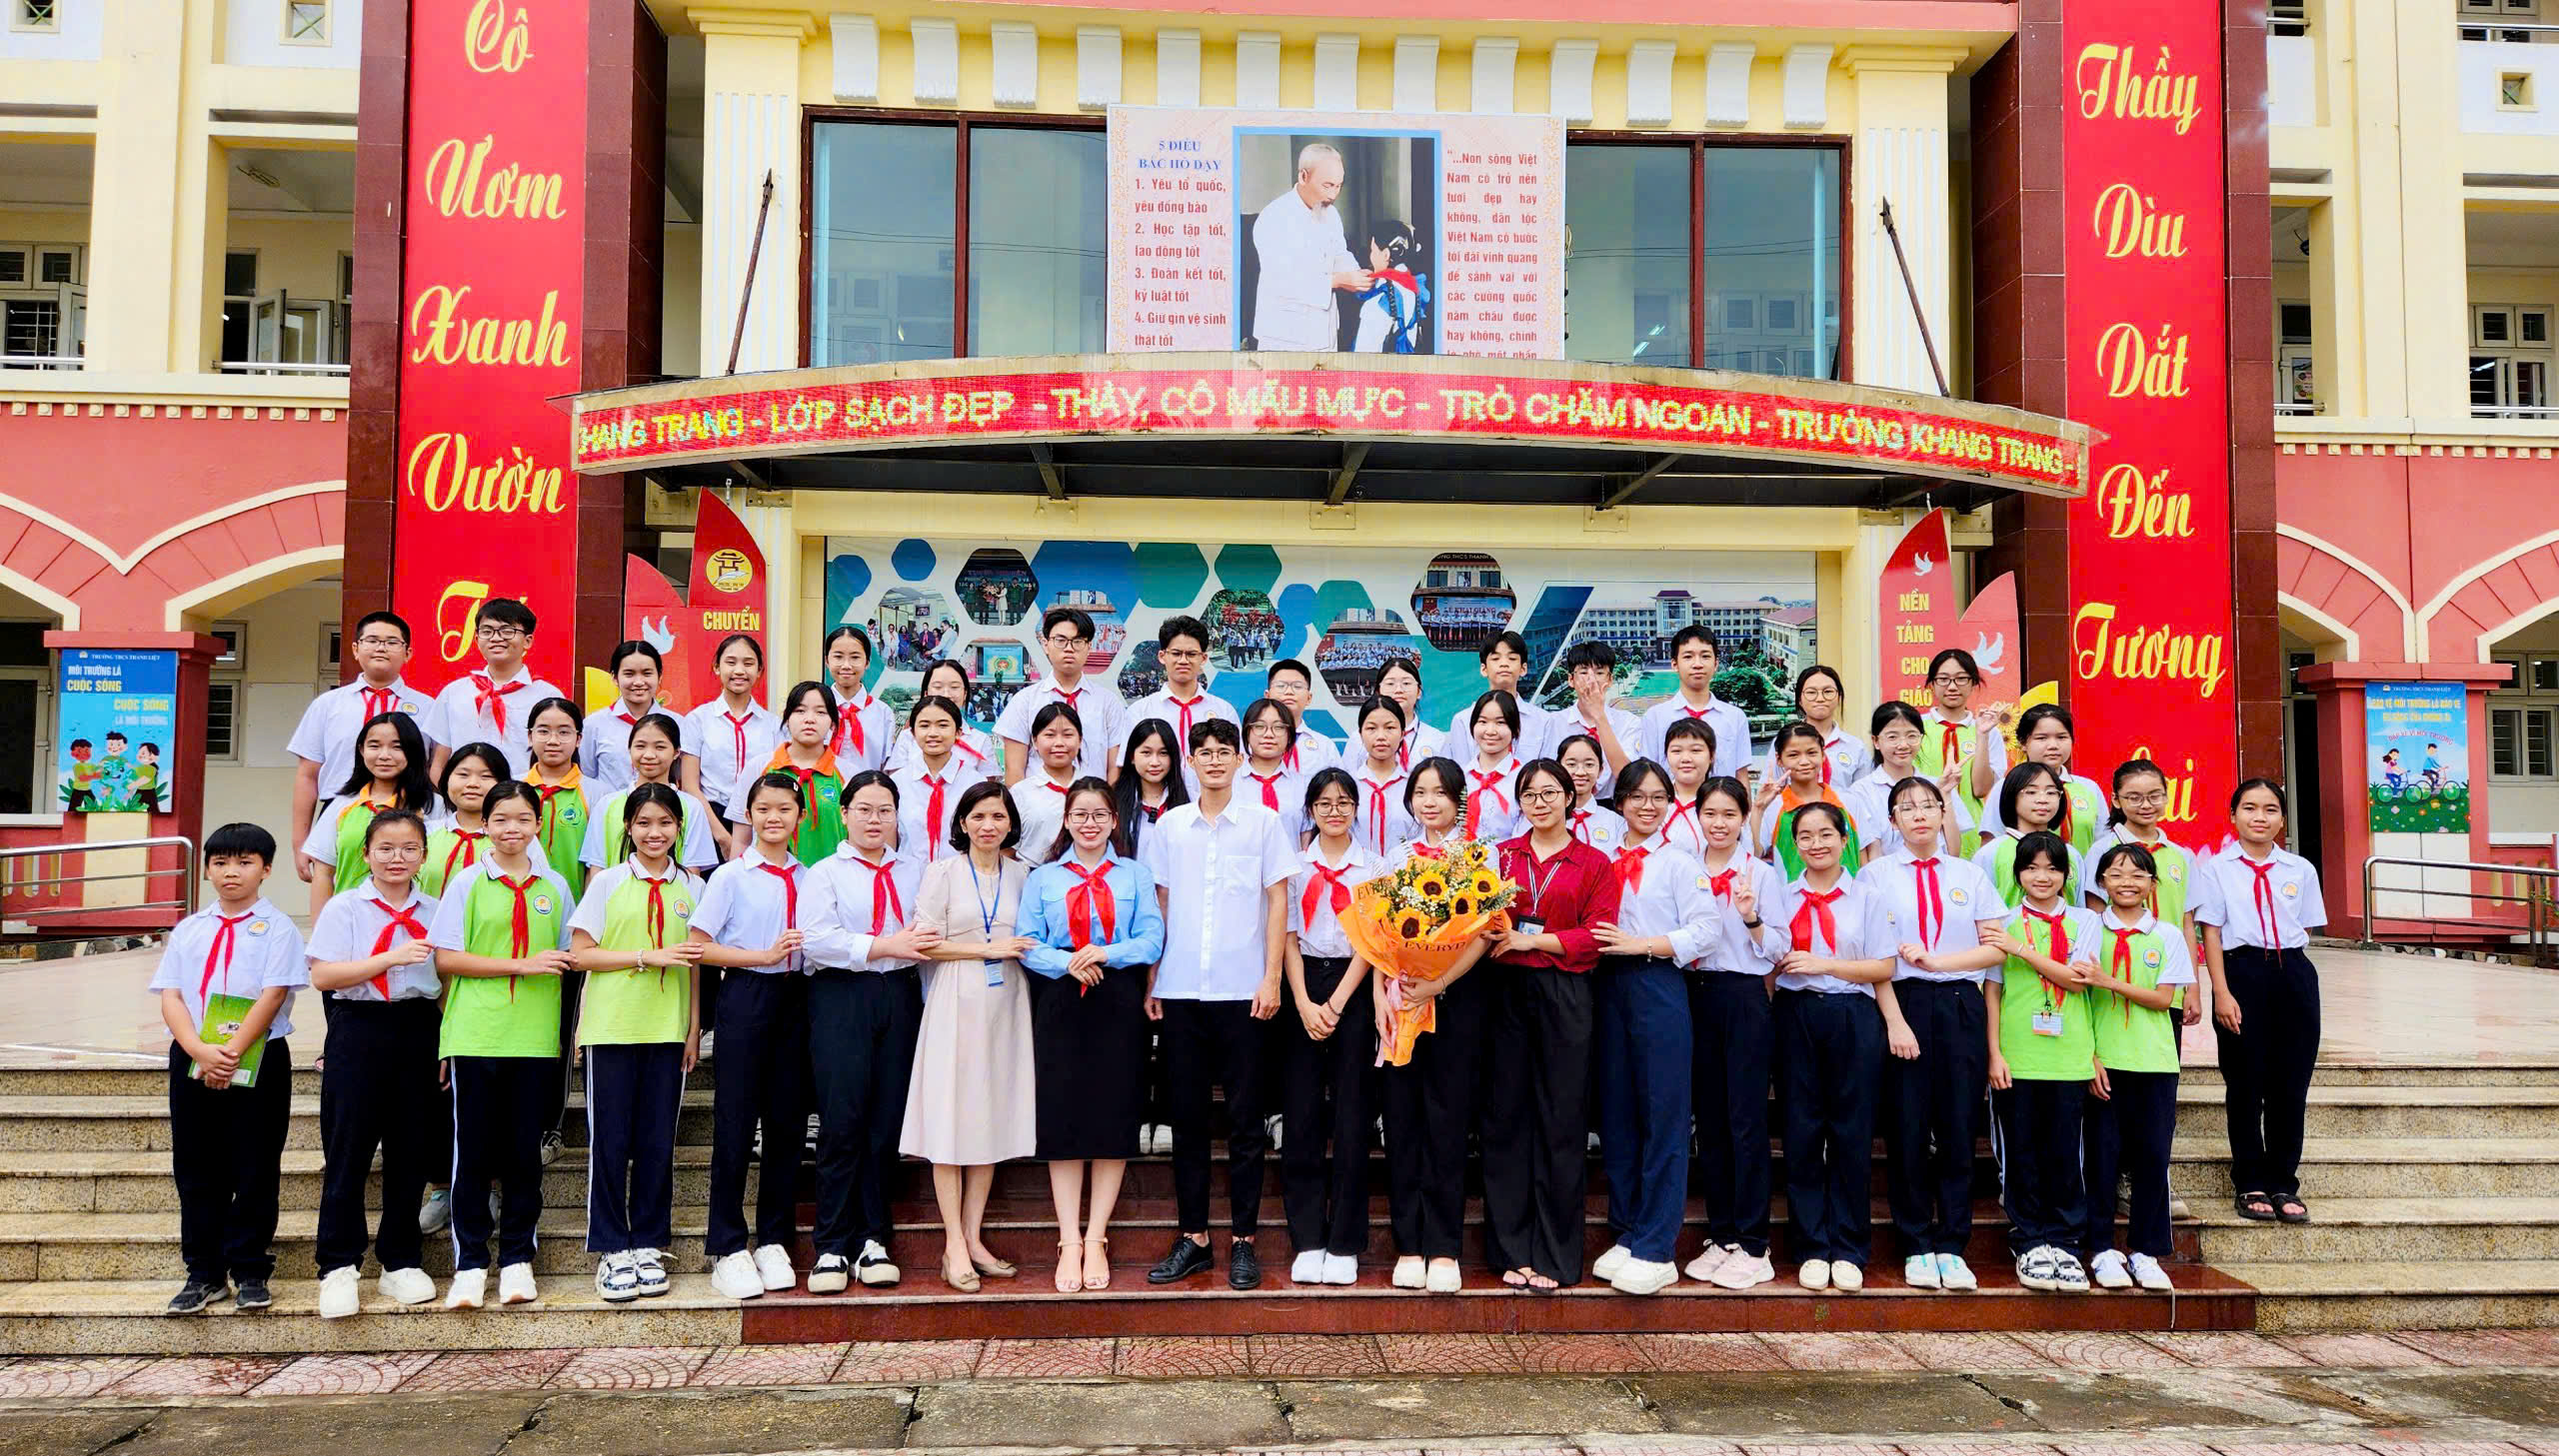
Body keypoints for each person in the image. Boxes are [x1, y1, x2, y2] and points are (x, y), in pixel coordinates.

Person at [1139, 718, 1295, 1290]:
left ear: (1239, 759)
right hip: (1181, 990)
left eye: (1223, 751)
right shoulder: (1170, 827)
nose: (1213, 760)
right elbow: (1159, 904)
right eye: (1202, 752)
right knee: (1187, 1120)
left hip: (1243, 993)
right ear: (1190, 762)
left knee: (1246, 1121)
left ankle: (1245, 1241)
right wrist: (1153, 980)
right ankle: (1195, 1238)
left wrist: (1272, 978)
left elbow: (1278, 901)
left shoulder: (1263, 822)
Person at [426, 780, 576, 1310]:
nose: (512, 829)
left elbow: (568, 956)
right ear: (485, 824)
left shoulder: (555, 886)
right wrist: (521, 965)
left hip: (533, 1036)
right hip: (476, 1032)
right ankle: (470, 1263)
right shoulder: (467, 882)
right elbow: (446, 958)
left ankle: (516, 1258)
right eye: (501, 819)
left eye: (523, 819)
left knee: (523, 1154)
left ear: (538, 824)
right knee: (471, 1152)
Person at [1479, 758, 1621, 1289]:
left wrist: (1531, 939)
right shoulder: (1500, 857)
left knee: (1562, 1121)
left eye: (1549, 793)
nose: (1539, 803)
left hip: (1566, 992)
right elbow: (1478, 920)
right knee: (1505, 1119)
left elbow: (1597, 934)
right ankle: (1510, 1249)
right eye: (1529, 795)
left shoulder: (1593, 862)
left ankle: (1556, 1255)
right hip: (1506, 992)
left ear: (1569, 797)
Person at [153, 823, 306, 1316]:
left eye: (244, 862)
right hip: (193, 1053)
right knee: (196, 1165)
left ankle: (250, 1269)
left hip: (258, 1054)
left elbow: (273, 994)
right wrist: (199, 1050)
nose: (231, 872)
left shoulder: (279, 928)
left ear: (266, 869)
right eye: (220, 863)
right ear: (206, 870)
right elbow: (172, 995)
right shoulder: (189, 929)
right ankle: (203, 1272)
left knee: (255, 1163)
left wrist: (231, 1052)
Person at [1018, 780, 1164, 1292]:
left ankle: (1097, 1235)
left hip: (1117, 997)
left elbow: (1152, 938)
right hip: (1060, 997)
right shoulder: (1043, 878)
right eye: (1080, 814)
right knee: (1063, 1117)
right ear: (1066, 820)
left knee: (1112, 1114)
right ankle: (1069, 1240)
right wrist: (1067, 963)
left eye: (1099, 814)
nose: (1089, 823)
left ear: (1114, 821)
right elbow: (1026, 941)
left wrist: (1106, 953)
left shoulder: (1135, 875)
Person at [563, 785, 705, 1304]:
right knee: (610, 1141)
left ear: (679, 828)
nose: (654, 833)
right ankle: (609, 1247)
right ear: (628, 827)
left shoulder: (692, 886)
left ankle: (648, 1241)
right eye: (644, 823)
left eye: (665, 823)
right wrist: (646, 956)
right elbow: (581, 954)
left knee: (657, 1141)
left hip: (668, 1028)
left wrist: (693, 1028)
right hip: (613, 1027)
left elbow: (695, 963)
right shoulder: (607, 882)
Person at [801, 770, 937, 1292]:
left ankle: (875, 1239)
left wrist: (902, 952)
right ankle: (831, 1245)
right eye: (864, 809)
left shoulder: (917, 870)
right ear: (844, 814)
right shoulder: (824, 873)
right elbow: (818, 940)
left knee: (886, 1123)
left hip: (899, 995)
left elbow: (929, 929)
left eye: (885, 810)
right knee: (842, 1120)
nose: (874, 820)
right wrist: (884, 946)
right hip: (842, 995)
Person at [1868, 776, 2005, 1293]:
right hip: (1901, 1002)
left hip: (1959, 1001)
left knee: (1957, 1126)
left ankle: (1952, 1243)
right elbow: (1873, 956)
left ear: (1944, 813)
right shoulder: (1876, 875)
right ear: (1893, 820)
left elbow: (1996, 947)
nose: (1920, 814)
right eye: (1907, 808)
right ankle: (1915, 1243)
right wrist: (1894, 1020)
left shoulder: (1969, 874)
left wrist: (1940, 962)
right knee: (1906, 1126)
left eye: (1929, 805)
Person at [306, 809, 444, 1319]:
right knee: (349, 1147)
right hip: (359, 1025)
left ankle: (399, 1260)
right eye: (385, 848)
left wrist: (447, 1042)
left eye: (409, 849)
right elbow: (324, 976)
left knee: (411, 1148)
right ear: (365, 854)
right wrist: (389, 958)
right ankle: (338, 1264)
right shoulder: (345, 907)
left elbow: (446, 980)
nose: (396, 858)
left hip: (418, 1026)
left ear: (423, 857)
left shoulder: (436, 910)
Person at [1586, 758, 1716, 1295]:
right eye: (1637, 796)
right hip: (1605, 987)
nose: (1648, 805)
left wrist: (1642, 944)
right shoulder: (1600, 859)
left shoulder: (1680, 863)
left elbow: (1707, 930)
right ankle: (1629, 1229)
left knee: (1664, 1114)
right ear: (1619, 802)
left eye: (1658, 797)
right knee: (1617, 1114)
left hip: (1656, 981)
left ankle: (1659, 1245)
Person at [686, 771, 815, 1301]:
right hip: (745, 992)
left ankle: (774, 1238)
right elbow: (699, 945)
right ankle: (727, 1244)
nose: (773, 818)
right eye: (763, 809)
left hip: (797, 999)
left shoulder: (811, 876)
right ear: (749, 814)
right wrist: (761, 956)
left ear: (800, 815)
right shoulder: (731, 876)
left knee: (787, 1123)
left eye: (784, 808)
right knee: (736, 1121)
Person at [909, 781, 1040, 1288]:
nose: (989, 825)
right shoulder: (941, 872)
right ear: (962, 822)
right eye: (979, 816)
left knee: (989, 1116)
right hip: (955, 998)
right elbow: (923, 943)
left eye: (998, 816)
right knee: (950, 1118)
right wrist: (985, 950)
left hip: (1007, 1002)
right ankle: (952, 1244)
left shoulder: (1023, 875)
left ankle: (974, 1235)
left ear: (1011, 824)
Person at [1770, 802, 1901, 1293]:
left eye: (1826, 834)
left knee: (1851, 1131)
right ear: (1795, 844)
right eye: (1805, 836)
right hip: (1795, 1015)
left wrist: (1823, 964)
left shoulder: (1867, 897)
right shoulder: (1782, 896)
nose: (1816, 844)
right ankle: (1810, 1246)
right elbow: (1772, 961)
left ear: (1845, 840)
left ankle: (1848, 1246)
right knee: (1801, 1131)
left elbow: (1883, 966)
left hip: (1852, 1015)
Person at [1375, 754, 1491, 1293]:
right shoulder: (1395, 856)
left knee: (1447, 1121)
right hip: (1401, 999)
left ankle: (1444, 1247)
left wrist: (1438, 982)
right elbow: (1377, 936)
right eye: (1420, 792)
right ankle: (1408, 1245)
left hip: (1457, 1000)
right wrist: (1385, 995)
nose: (1429, 802)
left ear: (1458, 800)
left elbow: (1484, 931)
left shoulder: (1478, 854)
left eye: (1440, 793)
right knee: (1402, 1120)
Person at [2195, 778, 2326, 1226]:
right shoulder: (2216, 868)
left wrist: (2289, 974)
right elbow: (2211, 932)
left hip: (2293, 973)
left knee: (2291, 1085)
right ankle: (2250, 1180)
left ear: (2282, 819)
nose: (2260, 817)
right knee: (2246, 1084)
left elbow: (2305, 927)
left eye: (2270, 809)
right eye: (2249, 808)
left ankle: (2284, 1182)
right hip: (2241, 972)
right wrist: (2221, 991)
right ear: (2233, 815)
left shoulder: (2299, 869)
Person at [1983, 829, 2102, 1293]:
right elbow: (1993, 991)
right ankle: (2029, 1240)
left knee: (2065, 1152)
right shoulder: (2003, 922)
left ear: (2067, 876)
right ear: (2018, 874)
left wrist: (2021, 949)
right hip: (2018, 1054)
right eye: (2031, 868)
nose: (2042, 877)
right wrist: (1995, 1053)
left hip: (2069, 1055)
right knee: (2021, 1153)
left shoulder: (2084, 921)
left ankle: (2065, 1241)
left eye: (2052, 869)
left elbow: (2077, 981)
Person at [1682, 775, 1787, 1290]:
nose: (1719, 824)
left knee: (1745, 1120)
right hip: (1694, 995)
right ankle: (1722, 1234)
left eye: (1729, 814)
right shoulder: (1685, 869)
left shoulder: (1760, 873)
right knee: (1710, 1121)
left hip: (1744, 996)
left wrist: (1751, 918)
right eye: (1710, 814)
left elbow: (1780, 948)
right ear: (1697, 816)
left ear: (1745, 818)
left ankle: (1753, 1242)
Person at [1278, 769, 1382, 1285]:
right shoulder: (1293, 866)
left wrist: (1337, 1003)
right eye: (1324, 803)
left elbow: (1373, 940)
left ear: (1356, 809)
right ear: (1311, 811)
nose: (1334, 812)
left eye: (1343, 803)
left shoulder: (1374, 867)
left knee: (1352, 1115)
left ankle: (1344, 1242)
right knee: (1300, 1117)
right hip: (1301, 983)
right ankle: (1307, 1238)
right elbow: (1286, 935)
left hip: (1354, 986)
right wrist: (1302, 1001)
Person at [2081, 842, 2193, 1291]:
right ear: (2101, 882)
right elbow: (2078, 999)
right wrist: (2089, 1058)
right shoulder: (2088, 930)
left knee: (2152, 1156)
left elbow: (2164, 999)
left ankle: (2146, 1250)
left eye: (2137, 875)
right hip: (2104, 1060)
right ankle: (2100, 1247)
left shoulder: (2167, 935)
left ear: (2152, 884)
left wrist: (2108, 981)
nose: (2126, 882)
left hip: (2154, 1061)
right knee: (2101, 1157)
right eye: (2116, 874)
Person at [289, 611, 435, 888]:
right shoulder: (327, 705)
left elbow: (434, 769)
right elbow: (307, 776)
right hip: (341, 812)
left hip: (409, 811)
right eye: (372, 640)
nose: (381, 648)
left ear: (408, 653)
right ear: (356, 649)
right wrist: (301, 842)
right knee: (341, 893)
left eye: (392, 642)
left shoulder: (428, 707)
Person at [298, 711, 436, 921]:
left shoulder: (433, 806)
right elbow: (323, 873)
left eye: (397, 747)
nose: (384, 755)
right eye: (374, 746)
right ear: (361, 750)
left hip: (416, 924)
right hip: (350, 922)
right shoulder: (342, 804)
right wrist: (321, 931)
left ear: (413, 751)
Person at [425, 599, 566, 777]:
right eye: (487, 631)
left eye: (507, 631)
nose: (496, 638)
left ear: (527, 641)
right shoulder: (454, 693)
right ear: (477, 639)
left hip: (524, 792)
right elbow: (439, 762)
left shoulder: (547, 696)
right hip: (466, 792)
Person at [1250, 142, 1367, 351]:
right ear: (1303, 176)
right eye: (1327, 185)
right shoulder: (1274, 217)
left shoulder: (1330, 213)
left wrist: (1357, 274)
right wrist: (1338, 280)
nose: (1333, 195)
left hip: (1324, 331)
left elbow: (1339, 254)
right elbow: (1282, 280)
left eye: (1338, 186)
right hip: (1284, 336)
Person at [2082, 758, 2200, 960]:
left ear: (2166, 797)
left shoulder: (2181, 855)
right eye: (2134, 798)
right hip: (2119, 963)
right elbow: (2095, 916)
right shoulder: (2102, 850)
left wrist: (2192, 977)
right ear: (2116, 800)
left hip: (2171, 963)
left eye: (2155, 796)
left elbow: (2186, 922)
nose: (2146, 805)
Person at [582, 713, 724, 876]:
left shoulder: (692, 807)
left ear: (677, 752)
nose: (649, 755)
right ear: (629, 750)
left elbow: (692, 873)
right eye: (640, 746)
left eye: (660, 747)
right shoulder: (606, 805)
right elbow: (596, 868)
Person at [998, 606, 1120, 781]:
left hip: (1093, 798)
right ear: (1046, 645)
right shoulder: (1025, 701)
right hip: (1038, 799)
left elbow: (1115, 768)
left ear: (1089, 647)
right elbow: (1014, 770)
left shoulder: (1108, 702)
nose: (1069, 648)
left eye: (1078, 641)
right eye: (1060, 640)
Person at [1844, 702, 1970, 861]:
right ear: (1876, 741)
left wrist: (1944, 794)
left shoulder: (1938, 785)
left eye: (1912, 736)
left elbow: (1953, 853)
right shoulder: (1860, 792)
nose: (1903, 745)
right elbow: (1868, 854)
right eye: (1892, 737)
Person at [1120, 616, 1236, 781]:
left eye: (1191, 654)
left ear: (1203, 658)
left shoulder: (1223, 710)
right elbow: (1127, 768)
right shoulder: (1140, 711)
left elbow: (1235, 765)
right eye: (1176, 653)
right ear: (1162, 656)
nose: (1183, 660)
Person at [1981, 705, 2108, 854]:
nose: (2053, 746)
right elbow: (1991, 842)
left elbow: (2103, 845)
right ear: (2023, 742)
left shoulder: (2089, 788)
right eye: (2041, 738)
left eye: (2062, 737)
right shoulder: (2007, 786)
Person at [1914, 649, 2006, 854]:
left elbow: (1981, 789)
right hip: (1923, 827)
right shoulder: (1917, 727)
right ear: (1932, 684)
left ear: (1974, 683)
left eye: (1961, 679)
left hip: (1971, 830)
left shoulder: (1988, 731)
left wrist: (1981, 735)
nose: (1952, 686)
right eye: (1943, 679)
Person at [686, 634, 779, 834]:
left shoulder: (774, 725)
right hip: (709, 819)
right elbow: (690, 786)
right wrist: (721, 837)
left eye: (748, 663)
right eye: (730, 662)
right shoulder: (697, 720)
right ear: (717, 667)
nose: (739, 670)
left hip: (759, 820)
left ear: (759, 671)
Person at [752, 682, 849, 865]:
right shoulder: (759, 766)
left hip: (832, 879)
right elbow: (741, 837)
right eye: (800, 711)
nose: (809, 719)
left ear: (833, 723)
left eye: (820, 712)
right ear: (787, 717)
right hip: (769, 876)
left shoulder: (847, 773)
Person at [1751, 721, 1862, 879]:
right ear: (1779, 759)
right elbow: (1755, 854)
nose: (1804, 761)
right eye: (1793, 755)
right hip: (1793, 894)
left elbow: (1863, 855)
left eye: (1811, 753)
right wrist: (1758, 809)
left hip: (1848, 893)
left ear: (1823, 755)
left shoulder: (1849, 802)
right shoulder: (1773, 807)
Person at [1637, 626, 1751, 778]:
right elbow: (1649, 774)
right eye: (1688, 656)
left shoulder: (1735, 717)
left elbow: (1741, 775)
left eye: (1705, 656)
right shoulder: (1655, 717)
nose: (1697, 664)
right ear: (1674, 664)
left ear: (1716, 664)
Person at [583, 641, 695, 793]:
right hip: (610, 808)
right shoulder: (593, 725)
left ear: (660, 676)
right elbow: (587, 779)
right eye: (629, 674)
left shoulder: (680, 724)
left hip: (663, 807)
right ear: (614, 678)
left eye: (647, 673)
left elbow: (684, 777)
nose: (639, 682)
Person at [890, 695, 987, 864]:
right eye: (924, 725)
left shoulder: (975, 783)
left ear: (958, 732)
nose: (933, 733)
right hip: (909, 876)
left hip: (960, 875)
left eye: (943, 725)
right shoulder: (897, 783)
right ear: (912, 733)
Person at [1974, 762, 2081, 907]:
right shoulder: (1990, 853)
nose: (2043, 800)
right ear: (2012, 796)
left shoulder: (2071, 854)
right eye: (2031, 792)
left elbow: (2079, 908)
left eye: (2051, 792)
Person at [521, 698, 590, 899]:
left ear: (578, 739)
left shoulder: (597, 794)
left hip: (574, 905)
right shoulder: (512, 788)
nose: (553, 740)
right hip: (517, 904)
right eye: (543, 731)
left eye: (564, 732)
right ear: (530, 736)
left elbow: (598, 862)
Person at [1445, 632, 1549, 761]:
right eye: (1495, 659)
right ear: (1484, 669)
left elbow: (1548, 768)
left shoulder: (1543, 721)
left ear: (1523, 669)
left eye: (1512, 658)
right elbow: (1461, 768)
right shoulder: (1463, 720)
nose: (1504, 664)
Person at [1758, 666, 1869, 788]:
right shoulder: (1784, 742)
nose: (1820, 699)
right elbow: (1770, 790)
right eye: (1811, 692)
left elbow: (1864, 795)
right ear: (1799, 699)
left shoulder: (1856, 747)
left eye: (1828, 692)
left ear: (1839, 697)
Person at [887, 659, 999, 776]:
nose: (946, 694)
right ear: (926, 693)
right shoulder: (907, 737)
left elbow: (987, 786)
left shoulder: (980, 740)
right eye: (938, 687)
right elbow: (896, 782)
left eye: (954, 687)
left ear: (965, 694)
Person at [1012, 702, 1087, 866]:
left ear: (1080, 740)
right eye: (1050, 735)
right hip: (1031, 874)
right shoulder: (1020, 792)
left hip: (1085, 877)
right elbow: (1008, 850)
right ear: (1035, 741)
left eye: (1067, 735)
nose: (1059, 743)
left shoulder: (1094, 790)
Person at [1554, 642, 1638, 775]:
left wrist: (1599, 716)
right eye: (1583, 672)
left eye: (1599, 673)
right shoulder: (1553, 723)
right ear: (1571, 679)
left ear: (1610, 679)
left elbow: (1628, 777)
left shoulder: (1629, 723)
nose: (1591, 680)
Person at [1347, 697, 1414, 857]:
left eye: (1390, 728)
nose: (1381, 736)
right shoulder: (1348, 786)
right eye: (1371, 728)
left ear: (1402, 734)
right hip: (1358, 871)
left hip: (1408, 871)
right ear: (1360, 734)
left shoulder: (1415, 786)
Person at [1351, 217, 1429, 354]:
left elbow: (1362, 358)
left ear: (1386, 255)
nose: (1371, 256)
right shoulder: (1414, 290)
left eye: (1373, 250)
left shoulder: (1378, 303)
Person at [1458, 691, 1527, 842]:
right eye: (1483, 722)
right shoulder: (1459, 777)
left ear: (1515, 728)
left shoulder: (1525, 779)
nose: (1490, 731)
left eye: (1500, 722)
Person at [824, 627, 895, 773]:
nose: (846, 665)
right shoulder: (817, 710)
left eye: (855, 657)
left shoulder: (883, 713)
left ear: (867, 662)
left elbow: (888, 766)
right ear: (827, 661)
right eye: (838, 657)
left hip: (870, 787)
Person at [1111, 716, 1191, 846]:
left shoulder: (1190, 801)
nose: (1155, 762)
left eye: (1163, 753)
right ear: (1132, 757)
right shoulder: (1112, 800)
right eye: (1146, 753)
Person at [1239, 698, 1309, 841]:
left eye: (1278, 727)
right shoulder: (1229, 783)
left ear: (1289, 735)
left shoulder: (1304, 786)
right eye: (1259, 726)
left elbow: (1306, 841)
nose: (1269, 734)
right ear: (1247, 732)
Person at [1655, 718, 1719, 861]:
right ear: (1666, 755)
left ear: (1712, 756)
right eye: (1676, 751)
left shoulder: (1724, 802)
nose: (1685, 758)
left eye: (1695, 750)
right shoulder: (1652, 800)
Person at [1553, 732, 1627, 852]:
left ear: (1600, 770)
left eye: (1589, 764)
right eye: (1571, 764)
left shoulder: (1615, 822)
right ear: (1559, 768)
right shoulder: (1546, 816)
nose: (1580, 772)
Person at [1265, 659, 1337, 774]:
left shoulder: (1325, 747)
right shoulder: (1251, 743)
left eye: (1297, 686)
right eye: (1281, 686)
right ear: (1267, 696)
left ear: (1309, 698)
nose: (1289, 692)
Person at [1376, 657, 1443, 769]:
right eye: (1390, 684)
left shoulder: (1437, 739)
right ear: (1378, 692)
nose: (1399, 690)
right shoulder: (1360, 740)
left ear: (1419, 692)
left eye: (1406, 683)